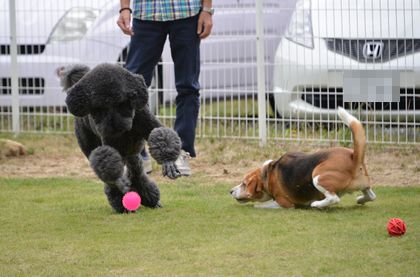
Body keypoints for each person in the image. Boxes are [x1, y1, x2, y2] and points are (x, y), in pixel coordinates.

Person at [117, 0, 213, 176]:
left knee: (188, 86)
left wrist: (207, 10)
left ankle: (181, 151)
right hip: (146, 14)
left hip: (186, 13)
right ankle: (135, 154)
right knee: (132, 87)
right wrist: (124, 8)